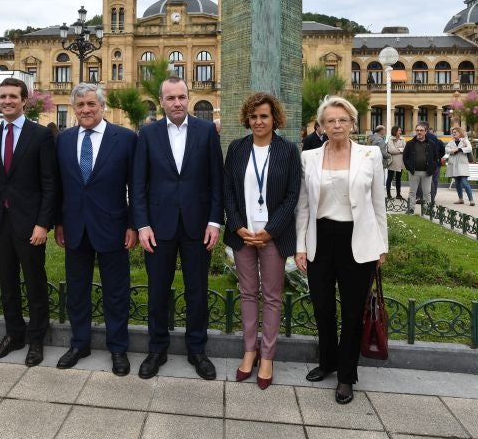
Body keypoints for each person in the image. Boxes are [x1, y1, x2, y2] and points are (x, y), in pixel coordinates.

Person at [295, 95, 387, 405]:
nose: (337, 125)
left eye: (342, 120)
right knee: (322, 307)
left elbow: (378, 204)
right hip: (320, 237)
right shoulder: (309, 157)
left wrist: (381, 246)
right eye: (330, 120)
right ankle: (327, 362)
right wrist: (300, 246)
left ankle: (347, 376)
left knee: (351, 311)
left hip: (357, 239)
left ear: (351, 123)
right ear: (321, 125)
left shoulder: (370, 154)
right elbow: (304, 206)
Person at [131, 76, 223, 380]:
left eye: (182, 97)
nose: (177, 103)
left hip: (198, 227)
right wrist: (142, 224)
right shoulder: (147, 134)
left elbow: (216, 182)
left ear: (189, 96)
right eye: (170, 98)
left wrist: (214, 221)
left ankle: (197, 349)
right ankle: (157, 349)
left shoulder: (207, 131)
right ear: (162, 101)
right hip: (158, 227)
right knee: (158, 291)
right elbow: (139, 184)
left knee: (197, 291)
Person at [53, 83, 136, 375]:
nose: (86, 110)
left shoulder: (125, 139)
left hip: (113, 227)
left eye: (91, 104)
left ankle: (118, 348)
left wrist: (132, 225)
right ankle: (79, 343)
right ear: (74, 108)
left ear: (102, 106)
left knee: (116, 291)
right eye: (80, 105)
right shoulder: (63, 140)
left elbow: (135, 187)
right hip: (75, 227)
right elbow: (59, 186)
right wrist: (59, 222)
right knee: (77, 290)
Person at [0, 78, 57, 367]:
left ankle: (36, 340)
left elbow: (50, 184)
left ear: (24, 100)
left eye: (13, 96)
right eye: (2, 96)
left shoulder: (40, 135)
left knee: (34, 282)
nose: (7, 101)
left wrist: (42, 224)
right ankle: (14, 335)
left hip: (29, 223)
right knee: (7, 283)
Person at [223, 92, 301, 390]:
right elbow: (228, 189)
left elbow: (293, 194)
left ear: (274, 119)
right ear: (248, 118)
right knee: (247, 294)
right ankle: (249, 351)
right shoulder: (237, 148)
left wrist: (271, 229)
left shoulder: (288, 150)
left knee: (271, 296)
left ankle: (267, 356)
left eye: (264, 116)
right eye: (254, 116)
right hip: (243, 236)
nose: (258, 121)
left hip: (273, 236)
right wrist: (238, 225)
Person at [403, 121, 439, 213]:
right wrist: (409, 167)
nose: (419, 132)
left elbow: (436, 157)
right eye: (417, 130)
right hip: (414, 172)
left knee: (427, 192)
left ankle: (428, 210)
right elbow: (405, 157)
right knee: (412, 192)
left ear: (425, 132)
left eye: (421, 130)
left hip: (427, 172)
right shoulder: (410, 143)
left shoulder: (431, 143)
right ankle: (411, 209)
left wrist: (432, 167)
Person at [445, 127, 475, 206]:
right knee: (457, 183)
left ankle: (471, 200)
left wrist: (459, 149)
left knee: (464, 182)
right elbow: (447, 150)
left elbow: (469, 148)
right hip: (454, 164)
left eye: (455, 132)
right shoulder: (451, 142)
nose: (454, 133)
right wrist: (453, 150)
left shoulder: (465, 140)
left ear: (460, 133)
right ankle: (460, 199)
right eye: (453, 132)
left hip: (462, 164)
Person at [385, 126, 406, 199]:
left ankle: (398, 194)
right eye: (399, 130)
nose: (400, 132)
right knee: (390, 178)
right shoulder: (390, 139)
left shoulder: (402, 139)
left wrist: (399, 150)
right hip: (392, 162)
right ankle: (388, 194)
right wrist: (400, 150)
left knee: (398, 179)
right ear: (395, 131)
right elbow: (391, 150)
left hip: (400, 162)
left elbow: (405, 149)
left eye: (400, 130)